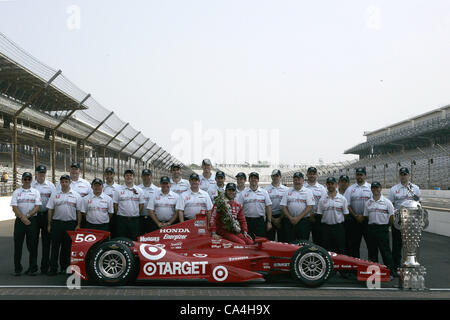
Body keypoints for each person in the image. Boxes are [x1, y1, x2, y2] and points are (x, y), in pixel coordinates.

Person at [388, 167, 422, 274]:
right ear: (399, 175)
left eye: (405, 174)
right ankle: (396, 268)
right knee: (397, 245)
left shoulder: (415, 188)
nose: (403, 176)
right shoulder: (394, 189)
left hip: (411, 222)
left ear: (409, 175)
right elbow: (390, 205)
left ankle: (410, 266)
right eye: (402, 174)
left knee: (411, 245)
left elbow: (419, 204)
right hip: (398, 220)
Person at [46, 174, 82, 276]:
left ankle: (64, 268)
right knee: (55, 247)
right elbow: (50, 210)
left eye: (66, 182)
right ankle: (53, 268)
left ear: (70, 183)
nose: (64, 184)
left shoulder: (76, 195)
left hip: (70, 224)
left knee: (67, 248)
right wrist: (49, 224)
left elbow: (79, 211)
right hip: (57, 223)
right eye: (62, 182)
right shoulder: (55, 194)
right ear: (60, 183)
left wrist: (78, 224)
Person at [10, 172, 41, 276]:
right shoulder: (16, 192)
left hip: (32, 221)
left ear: (31, 180)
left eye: (29, 179)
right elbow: (14, 207)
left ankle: (33, 268)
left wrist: (27, 216)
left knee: (32, 246)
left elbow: (37, 206)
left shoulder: (36, 192)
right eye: (25, 179)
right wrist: (22, 217)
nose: (27, 181)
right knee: (18, 245)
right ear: (22, 180)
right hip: (19, 221)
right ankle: (17, 269)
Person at [364, 181, 395, 277]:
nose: (375, 189)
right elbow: (366, 216)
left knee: (385, 252)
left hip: (382, 229)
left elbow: (391, 218)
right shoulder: (368, 203)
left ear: (380, 189)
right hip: (371, 229)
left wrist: (385, 226)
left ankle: (390, 272)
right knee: (372, 252)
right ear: (371, 189)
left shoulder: (387, 202)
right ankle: (375, 273)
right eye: (373, 188)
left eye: (377, 187)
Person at [31, 165, 56, 275]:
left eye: (43, 173)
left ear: (46, 173)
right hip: (34, 217)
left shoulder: (51, 185)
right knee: (33, 243)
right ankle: (33, 267)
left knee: (46, 243)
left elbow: (54, 201)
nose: (41, 175)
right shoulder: (31, 185)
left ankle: (45, 267)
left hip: (46, 216)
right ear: (36, 173)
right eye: (39, 172)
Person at [343, 167, 372, 259]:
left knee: (371, 245)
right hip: (354, 220)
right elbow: (347, 205)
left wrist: (364, 216)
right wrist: (356, 216)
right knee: (354, 246)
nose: (359, 177)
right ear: (355, 176)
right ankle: (355, 267)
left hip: (367, 220)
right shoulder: (350, 189)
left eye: (361, 175)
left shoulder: (371, 187)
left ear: (365, 176)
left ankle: (372, 266)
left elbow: (373, 203)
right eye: (358, 174)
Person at [235, 172, 272, 239]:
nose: (253, 180)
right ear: (249, 180)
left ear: (258, 180)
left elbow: (268, 207)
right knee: (248, 240)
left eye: (255, 178)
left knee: (261, 240)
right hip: (247, 221)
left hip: (260, 221)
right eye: (251, 178)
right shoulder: (243, 193)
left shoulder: (264, 192)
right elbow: (239, 208)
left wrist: (269, 221)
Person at [280, 172, 315, 242]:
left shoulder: (308, 191)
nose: (297, 182)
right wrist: (291, 218)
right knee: (289, 242)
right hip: (289, 221)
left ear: (303, 181)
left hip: (303, 222)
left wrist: (298, 218)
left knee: (303, 242)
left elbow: (310, 206)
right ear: (293, 180)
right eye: (295, 180)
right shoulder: (287, 191)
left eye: (299, 179)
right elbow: (283, 206)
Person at [317, 177, 349, 254]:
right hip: (326, 228)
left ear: (336, 185)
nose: (330, 185)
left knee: (340, 249)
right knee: (326, 250)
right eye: (328, 184)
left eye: (332, 183)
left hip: (338, 228)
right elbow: (320, 214)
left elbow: (345, 214)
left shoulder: (342, 199)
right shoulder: (322, 199)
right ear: (326, 185)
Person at [112, 169, 145, 241]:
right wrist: (120, 214)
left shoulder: (139, 190)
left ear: (134, 177)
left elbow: (141, 205)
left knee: (134, 240)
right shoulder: (118, 190)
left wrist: (135, 213)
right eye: (127, 175)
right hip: (121, 220)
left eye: (131, 175)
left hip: (135, 220)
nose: (129, 177)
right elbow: (115, 204)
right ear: (124, 177)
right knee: (121, 239)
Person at [303, 167, 327, 246]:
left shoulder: (321, 188)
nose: (312, 175)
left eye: (314, 174)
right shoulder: (303, 187)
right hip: (304, 217)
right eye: (310, 174)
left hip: (317, 217)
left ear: (317, 175)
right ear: (307, 175)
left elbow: (323, 203)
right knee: (304, 240)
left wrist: (314, 213)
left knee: (318, 241)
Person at [265, 169, 288, 242]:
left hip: (282, 217)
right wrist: (272, 219)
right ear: (271, 177)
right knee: (269, 239)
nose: (275, 177)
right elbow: (265, 205)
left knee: (283, 239)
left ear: (280, 177)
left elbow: (286, 205)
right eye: (273, 176)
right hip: (270, 217)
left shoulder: (286, 189)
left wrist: (280, 218)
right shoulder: (266, 189)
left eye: (277, 176)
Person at [138, 169, 160, 235]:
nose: (146, 177)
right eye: (144, 176)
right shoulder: (137, 188)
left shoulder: (156, 190)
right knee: (140, 236)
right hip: (140, 218)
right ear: (141, 177)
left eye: (148, 175)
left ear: (151, 176)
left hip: (152, 219)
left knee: (152, 236)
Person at [103, 167, 120, 237]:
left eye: (111, 174)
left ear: (114, 175)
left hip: (116, 215)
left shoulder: (119, 187)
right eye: (107, 174)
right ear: (105, 175)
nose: (109, 176)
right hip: (104, 214)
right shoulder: (101, 187)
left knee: (115, 233)